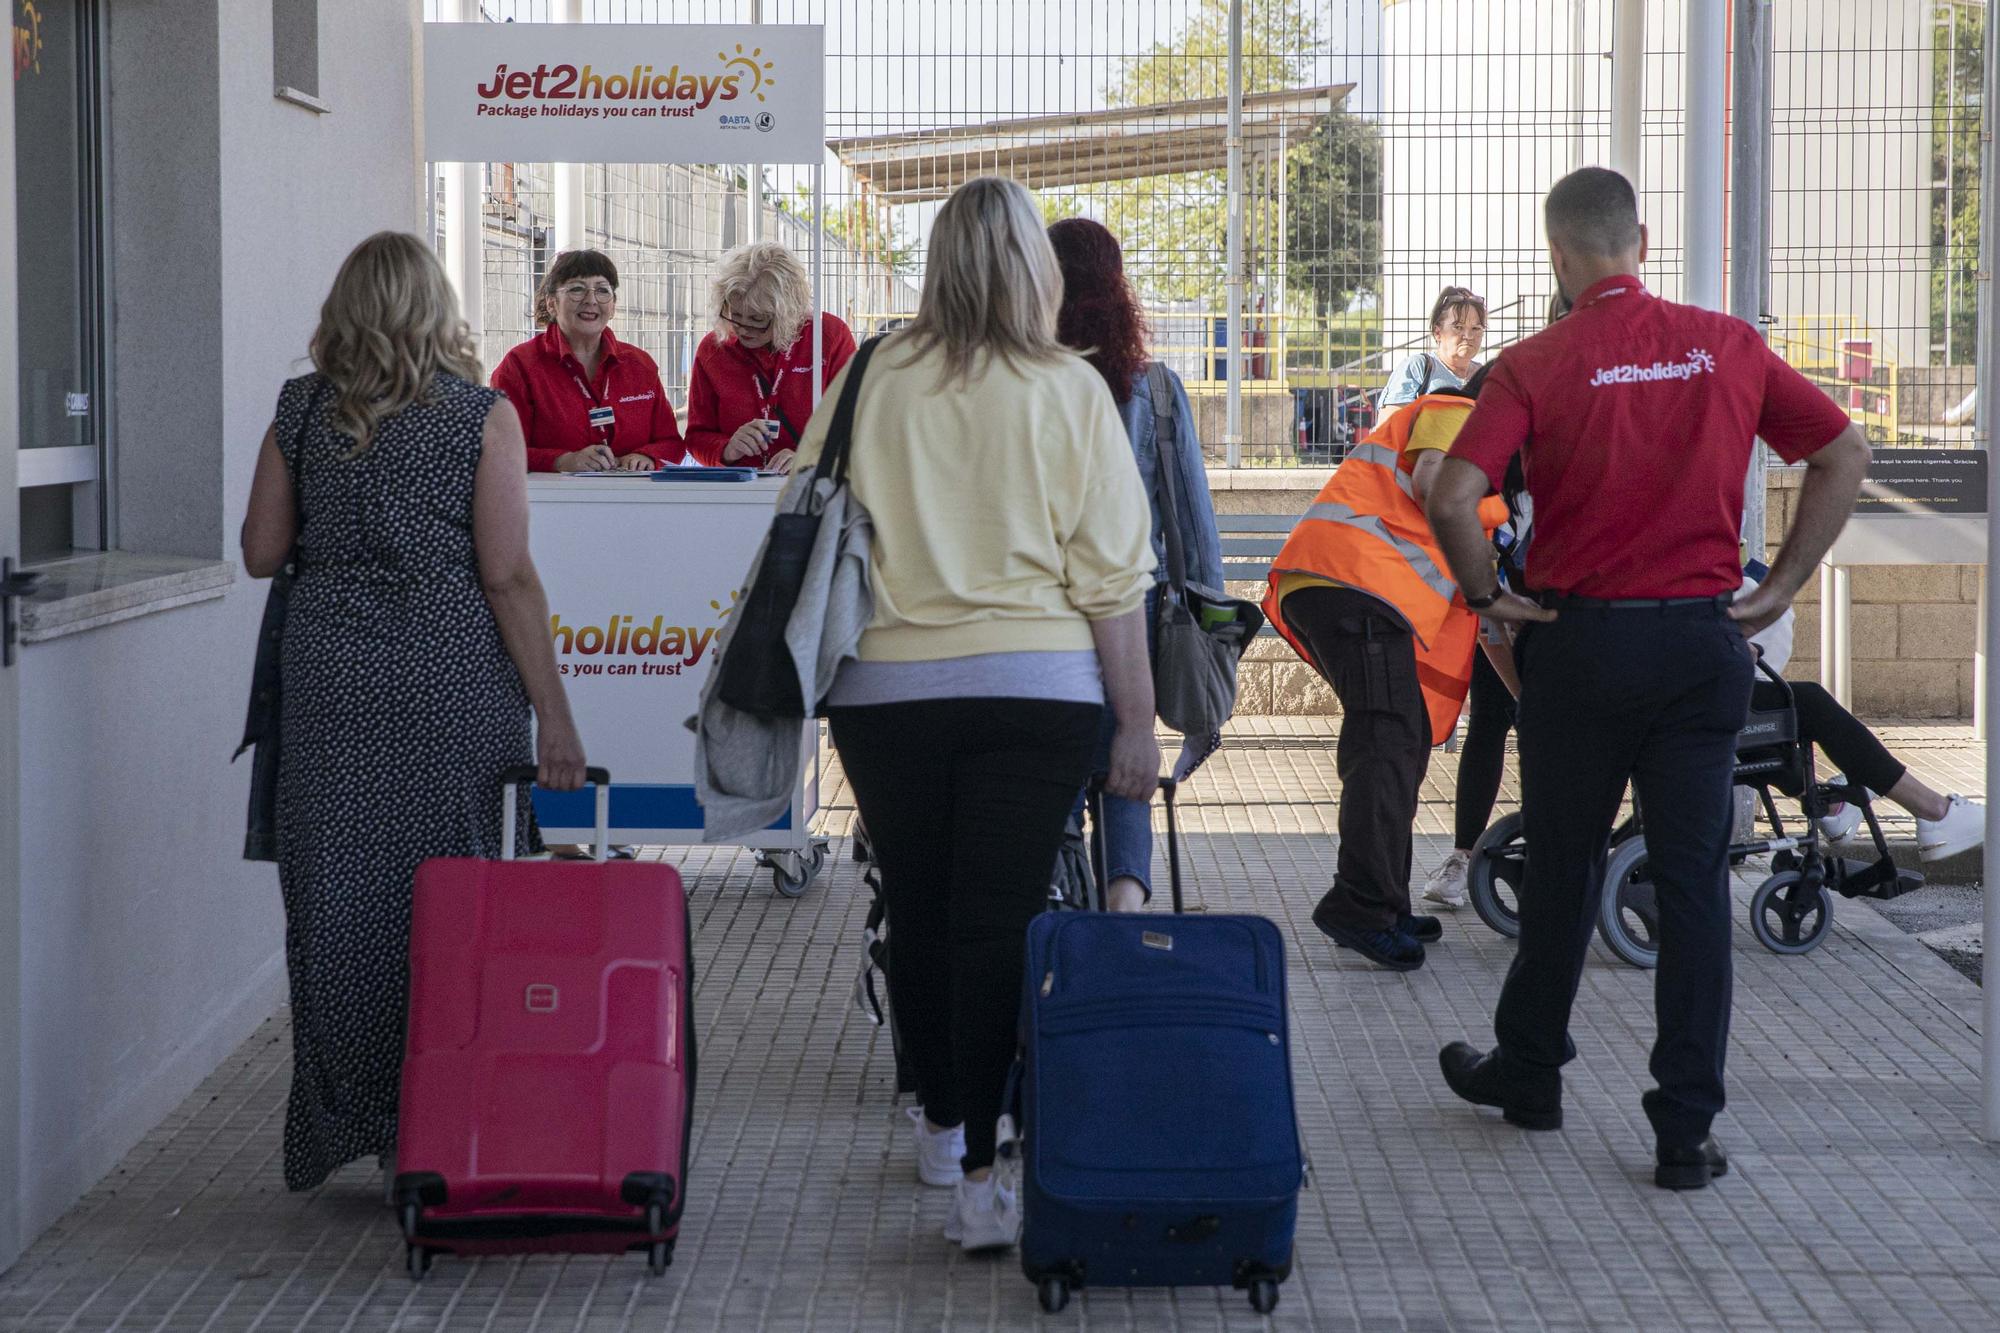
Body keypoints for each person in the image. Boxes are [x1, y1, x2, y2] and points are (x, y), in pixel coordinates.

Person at [1426, 167, 1869, 1191]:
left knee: (1561, 869)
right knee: (1690, 884)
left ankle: (1529, 1073)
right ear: (1639, 240)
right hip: (1698, 649)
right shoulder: (1727, 345)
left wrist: (1487, 593)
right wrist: (1782, 583)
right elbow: (1840, 451)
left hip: (1580, 650)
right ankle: (1682, 1128)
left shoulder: (1532, 362)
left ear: (1555, 256)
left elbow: (1454, 492)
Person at [806, 177, 1157, 1254]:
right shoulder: (1067, 388)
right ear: (1032, 270)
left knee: (916, 905)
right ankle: (979, 1167)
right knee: (994, 919)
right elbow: (1111, 579)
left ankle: (939, 1120)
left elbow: (805, 495)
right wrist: (1136, 726)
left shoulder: (869, 372)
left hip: (885, 692)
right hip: (1037, 692)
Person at [240, 232, 588, 1192]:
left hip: (331, 692)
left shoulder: (302, 408)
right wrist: (554, 710)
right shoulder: (483, 416)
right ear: (438, 309)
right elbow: (508, 574)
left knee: (336, 906)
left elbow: (262, 551)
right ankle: (435, 1124)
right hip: (451, 687)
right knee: (457, 899)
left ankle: (347, 1120)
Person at [1263, 385, 1510, 971]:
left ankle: (1388, 904)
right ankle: (1363, 906)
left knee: (1398, 743)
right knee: (1386, 741)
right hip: (1354, 583)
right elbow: (1430, 482)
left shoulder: (1477, 452)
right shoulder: (1459, 411)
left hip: (1355, 589)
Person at [1047, 216, 1225, 913]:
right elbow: (1192, 521)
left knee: (1060, 765)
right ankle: (1125, 910)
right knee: (1129, 762)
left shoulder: (1032, 381)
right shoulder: (1153, 388)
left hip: (1048, 608)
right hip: (1137, 608)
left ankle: (1058, 896)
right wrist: (1214, 614)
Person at [491, 248, 686, 472]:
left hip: (632, 501)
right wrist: (562, 461)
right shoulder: (519, 366)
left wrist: (648, 457)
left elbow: (671, 443)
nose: (591, 300)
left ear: (612, 306)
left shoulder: (639, 365)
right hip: (550, 502)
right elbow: (501, 451)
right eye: (577, 289)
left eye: (602, 291)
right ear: (551, 303)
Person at [684, 241, 858, 472]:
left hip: (808, 486)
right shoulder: (714, 349)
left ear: (788, 312)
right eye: (736, 315)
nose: (744, 329)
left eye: (758, 320)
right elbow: (696, 437)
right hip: (740, 489)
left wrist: (810, 457)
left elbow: (857, 425)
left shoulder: (828, 337)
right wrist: (727, 449)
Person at [1379, 285, 1488, 411]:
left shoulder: (1485, 377)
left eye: (1476, 328)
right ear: (1437, 332)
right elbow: (1391, 425)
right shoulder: (1418, 368)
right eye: (1458, 327)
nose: (1468, 336)